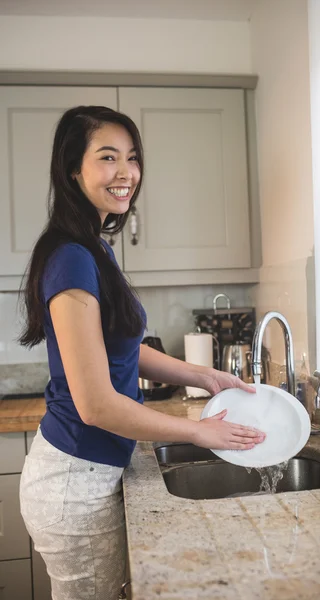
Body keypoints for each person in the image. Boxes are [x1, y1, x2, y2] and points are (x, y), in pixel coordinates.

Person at [18, 105, 265, 600]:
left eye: (132, 158)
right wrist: (200, 429)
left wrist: (204, 375)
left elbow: (123, 350)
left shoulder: (94, 246)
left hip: (91, 474)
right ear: (73, 168)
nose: (126, 172)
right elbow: (97, 404)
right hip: (74, 483)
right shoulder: (70, 257)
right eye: (107, 157)